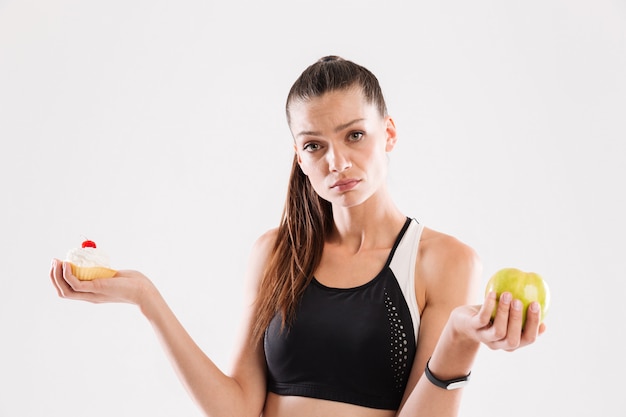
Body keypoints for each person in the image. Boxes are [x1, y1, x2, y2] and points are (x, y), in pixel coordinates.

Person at [50, 55, 546, 417]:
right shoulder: (275, 253)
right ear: (299, 157)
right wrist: (146, 298)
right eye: (315, 145)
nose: (337, 163)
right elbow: (237, 409)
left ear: (388, 133)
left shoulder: (444, 261)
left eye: (355, 135)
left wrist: (458, 341)